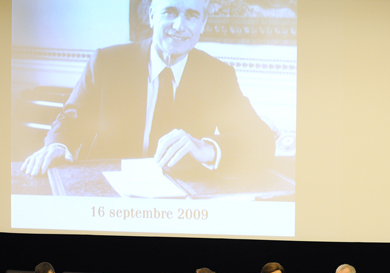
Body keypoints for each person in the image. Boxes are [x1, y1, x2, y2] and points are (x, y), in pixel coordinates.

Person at [22, 0, 275, 176]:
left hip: (183, 206)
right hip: (108, 199)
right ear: (152, 16)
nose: (179, 26)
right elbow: (70, 120)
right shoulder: (107, 62)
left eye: (192, 15)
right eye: (170, 12)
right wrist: (58, 145)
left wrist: (206, 148)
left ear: (203, 24)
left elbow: (261, 140)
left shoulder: (218, 75)